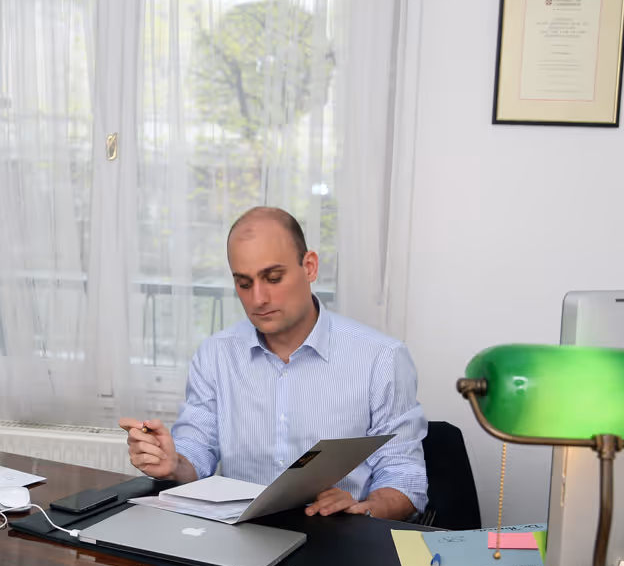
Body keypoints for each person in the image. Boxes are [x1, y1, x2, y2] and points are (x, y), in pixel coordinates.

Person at [119, 206, 427, 521]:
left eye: (273, 277)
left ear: (309, 267)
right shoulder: (215, 355)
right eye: (244, 283)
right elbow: (197, 452)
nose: (258, 299)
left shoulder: (382, 358)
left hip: (338, 535)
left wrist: (366, 509)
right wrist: (173, 464)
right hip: (241, 537)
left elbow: (403, 473)